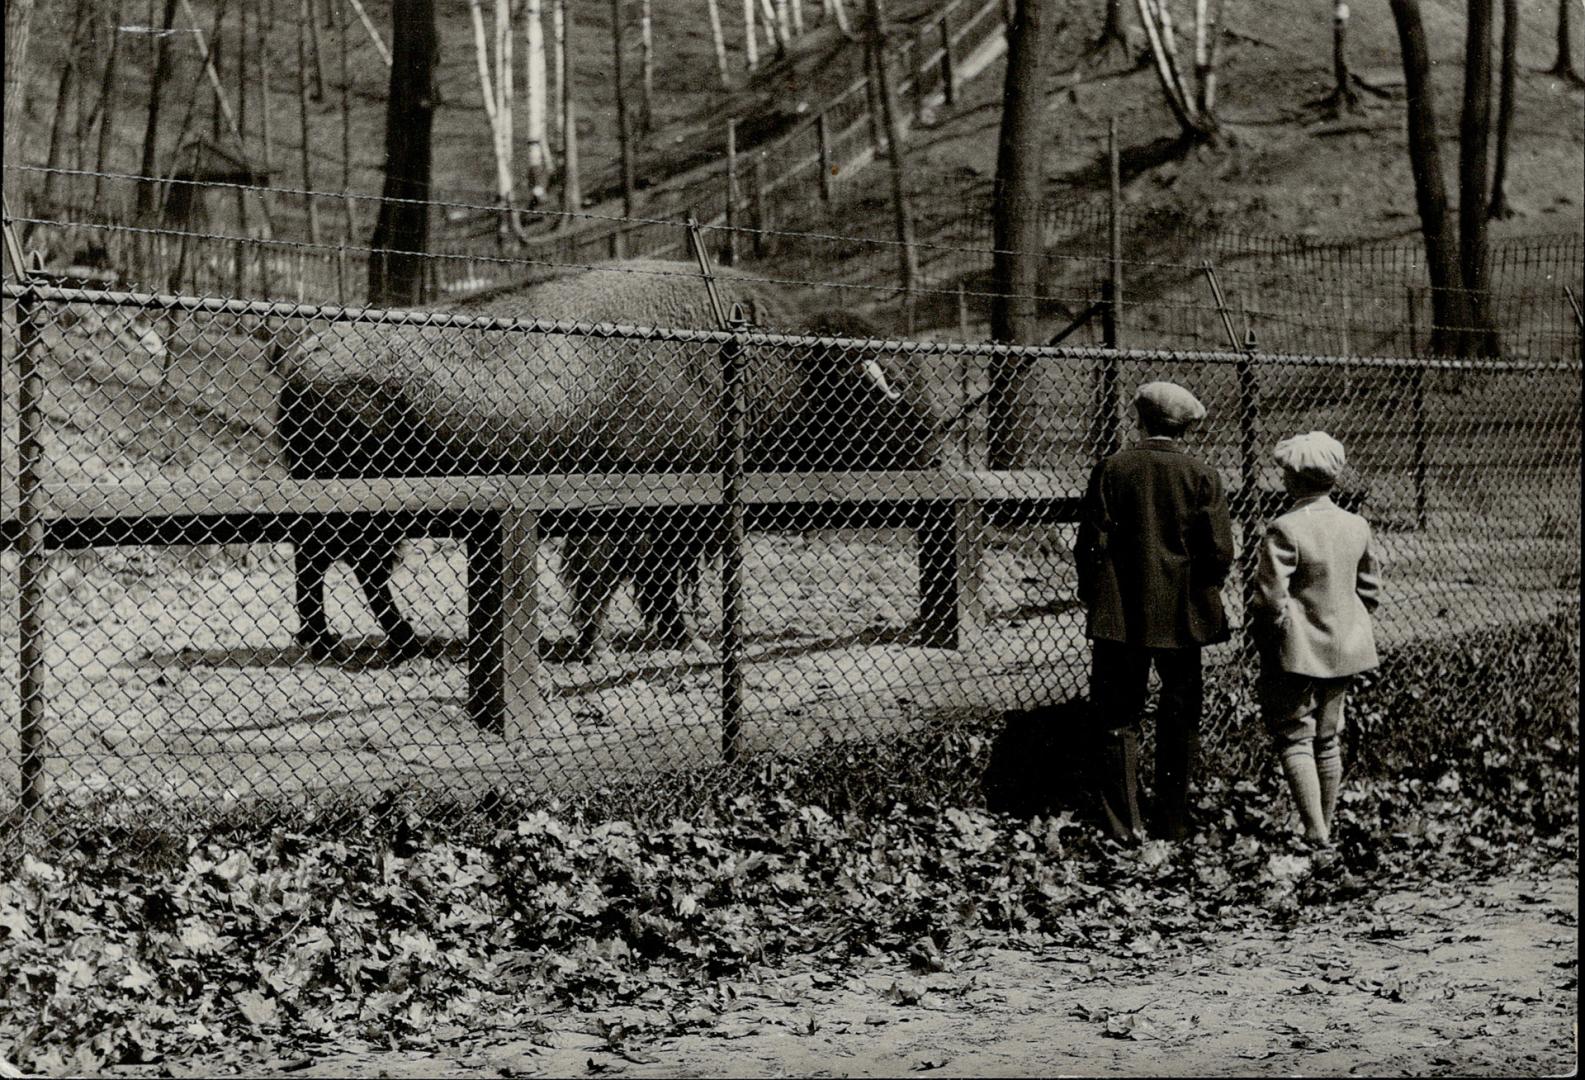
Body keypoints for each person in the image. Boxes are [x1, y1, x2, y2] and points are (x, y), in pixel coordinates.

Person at [1076, 381, 1235, 843]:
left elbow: (1090, 544)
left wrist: (1095, 594)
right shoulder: (1203, 475)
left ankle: (1124, 826)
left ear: (1139, 420)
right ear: (1185, 427)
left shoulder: (1112, 468)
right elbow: (1220, 551)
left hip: (1120, 616)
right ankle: (1172, 818)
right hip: (1183, 617)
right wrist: (1201, 588)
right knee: (1180, 712)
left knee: (1117, 716)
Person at [1251, 431, 1381, 851]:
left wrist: (1274, 634)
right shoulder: (1356, 525)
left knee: (1294, 736)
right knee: (1328, 737)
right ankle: (1325, 826)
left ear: (1291, 479)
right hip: (1344, 648)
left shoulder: (1284, 528)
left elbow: (1270, 599)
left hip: (1297, 651)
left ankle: (1314, 831)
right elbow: (1371, 591)